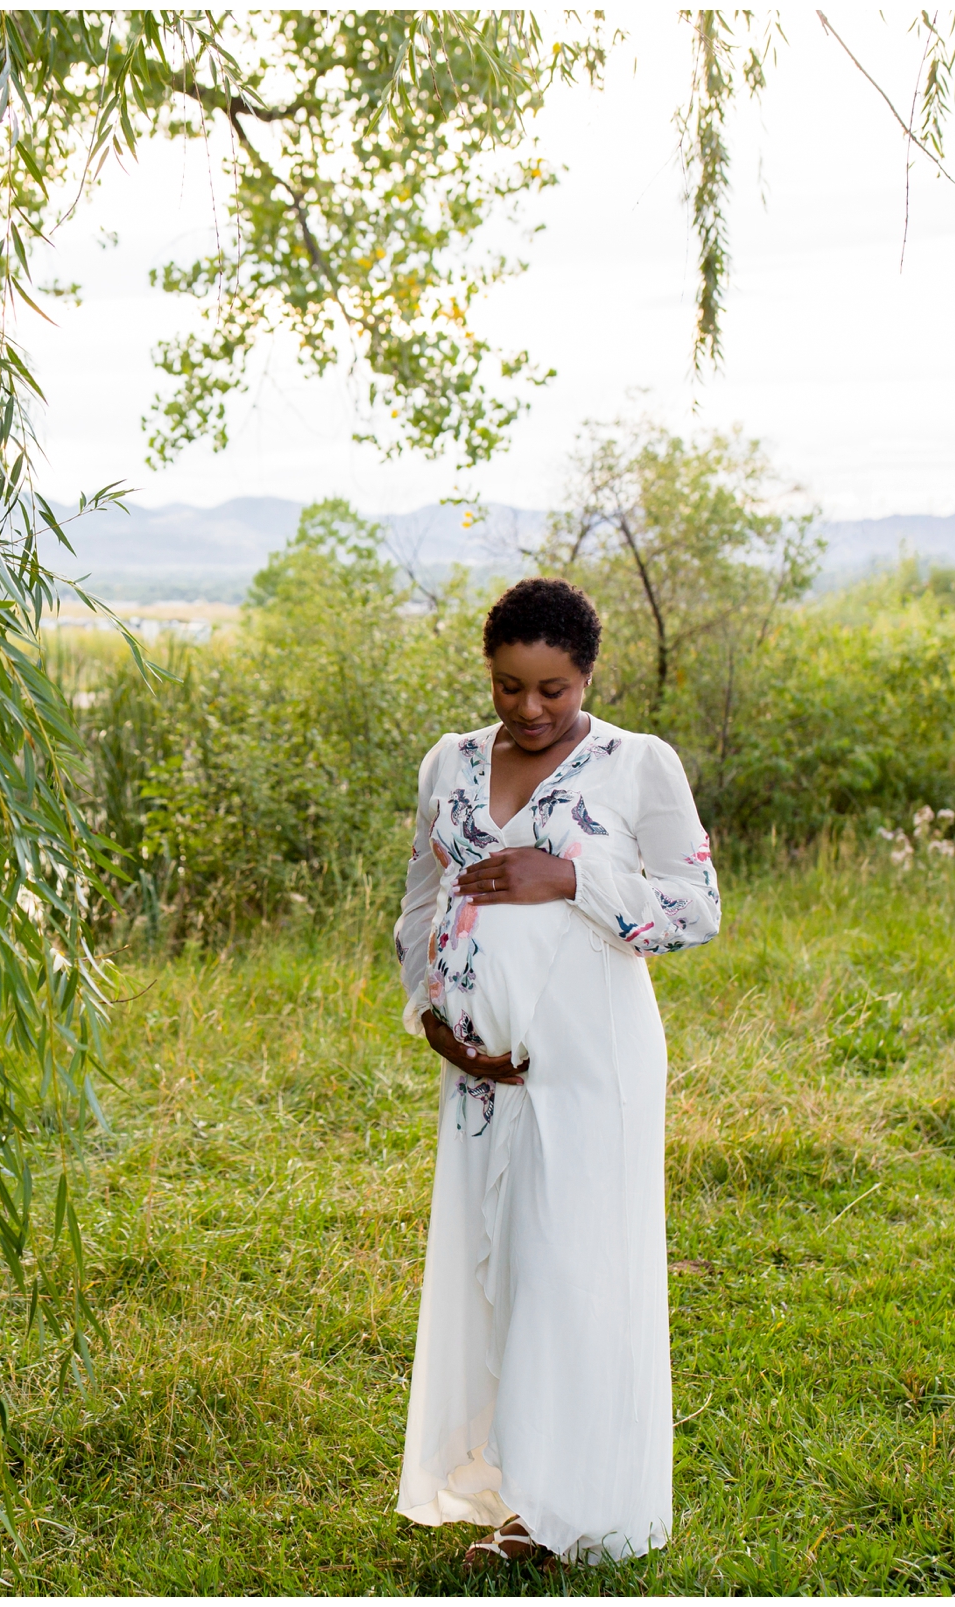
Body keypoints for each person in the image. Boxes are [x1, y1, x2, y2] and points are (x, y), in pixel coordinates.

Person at [392, 576, 721, 1569]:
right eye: (508, 688)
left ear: (588, 675)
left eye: (553, 689)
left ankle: (563, 1511)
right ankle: (505, 1481)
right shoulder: (447, 765)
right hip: (482, 1074)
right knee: (495, 1265)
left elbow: (697, 906)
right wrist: (432, 1018)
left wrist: (571, 876)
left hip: (594, 1060)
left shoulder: (637, 765)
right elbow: (421, 900)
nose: (529, 710)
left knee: (570, 1269)